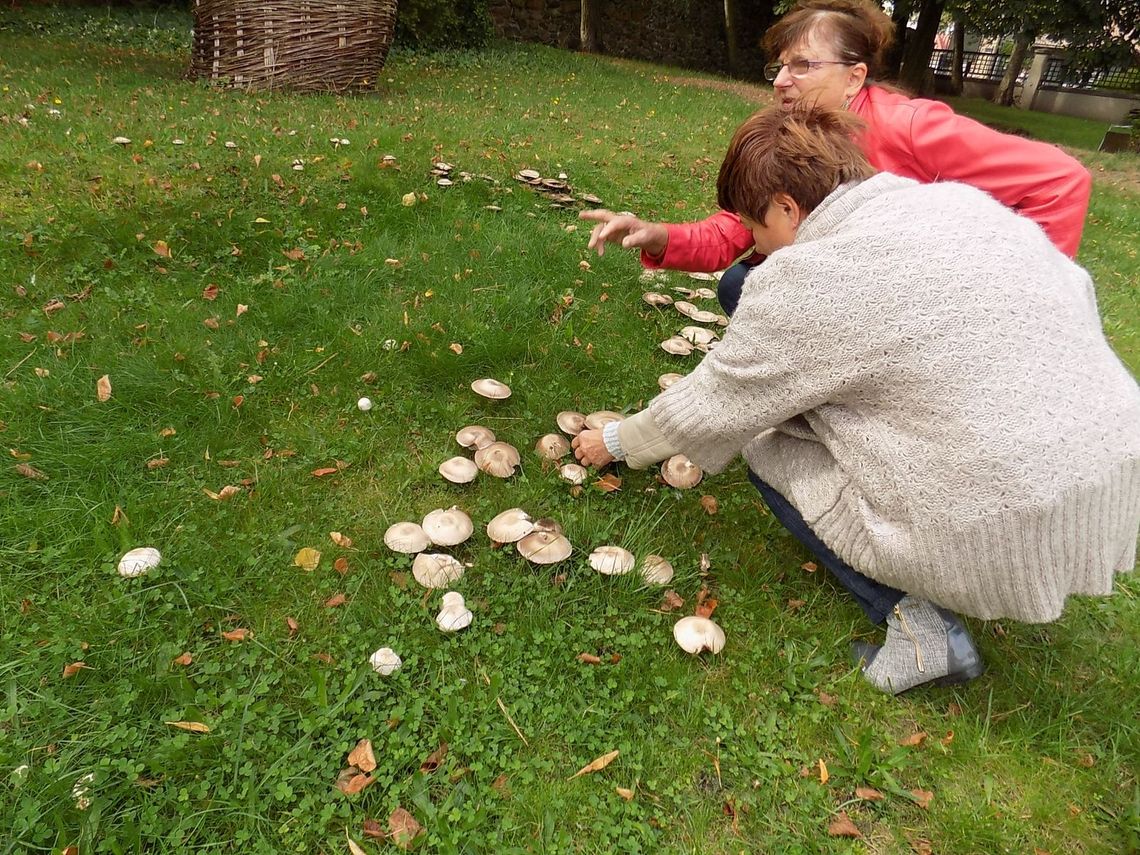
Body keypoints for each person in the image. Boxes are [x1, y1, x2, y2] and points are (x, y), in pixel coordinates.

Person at [572, 105, 1140, 695]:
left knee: (768, 441)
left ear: (787, 209)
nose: (755, 245)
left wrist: (613, 442)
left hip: (1005, 505)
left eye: (755, 228)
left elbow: (714, 409)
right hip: (1113, 460)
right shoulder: (952, 202)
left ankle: (922, 633)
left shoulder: (811, 279)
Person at [581, 0, 1092, 317]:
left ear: (854, 76)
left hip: (904, 292)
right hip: (838, 282)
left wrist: (1018, 298)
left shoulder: (912, 127)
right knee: (743, 285)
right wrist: (658, 235)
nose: (782, 81)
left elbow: (1061, 180)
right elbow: (739, 227)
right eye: (780, 67)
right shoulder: (787, 134)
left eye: (802, 66)